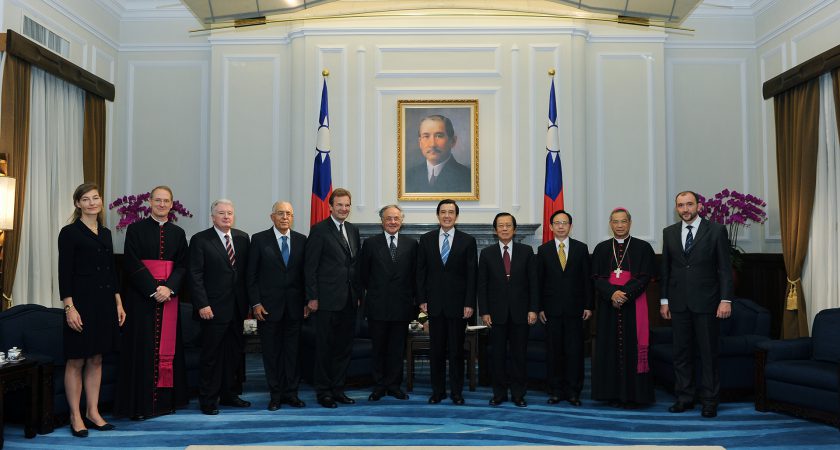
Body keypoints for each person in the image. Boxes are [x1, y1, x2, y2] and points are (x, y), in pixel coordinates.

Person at [114, 186, 189, 421]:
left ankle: (167, 403)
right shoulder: (135, 230)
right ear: (149, 202)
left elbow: (183, 265)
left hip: (169, 298)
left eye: (166, 201)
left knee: (167, 349)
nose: (162, 204)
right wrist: (152, 289)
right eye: (158, 200)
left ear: (172, 204)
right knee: (143, 349)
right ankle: (140, 406)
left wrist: (169, 288)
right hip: (141, 299)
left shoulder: (178, 233)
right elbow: (131, 263)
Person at [58, 182, 126, 437]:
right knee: (76, 359)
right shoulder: (69, 232)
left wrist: (118, 303)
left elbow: (112, 271)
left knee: (97, 358)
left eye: (95, 198)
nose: (92, 203)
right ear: (78, 204)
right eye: (85, 199)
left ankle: (93, 412)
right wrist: (69, 308)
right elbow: (64, 273)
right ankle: (75, 415)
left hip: (105, 303)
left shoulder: (106, 233)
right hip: (81, 304)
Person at [660, 190, 733, 418]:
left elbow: (724, 269)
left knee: (708, 354)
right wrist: (664, 301)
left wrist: (725, 299)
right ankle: (685, 397)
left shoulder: (716, 230)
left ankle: (709, 400)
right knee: (681, 353)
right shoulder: (669, 233)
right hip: (678, 303)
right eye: (680, 205)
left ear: (699, 206)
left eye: (689, 204)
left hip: (708, 303)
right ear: (676, 208)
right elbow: (666, 270)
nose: (685, 209)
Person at [189, 199, 251, 415]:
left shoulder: (243, 238)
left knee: (233, 355)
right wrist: (202, 304)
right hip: (212, 309)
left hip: (237, 308)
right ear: (212, 216)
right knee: (211, 357)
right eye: (222, 213)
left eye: (230, 213)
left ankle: (229, 394)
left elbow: (246, 275)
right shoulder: (200, 240)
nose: (226, 217)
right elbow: (195, 275)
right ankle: (207, 400)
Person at [591, 208, 656, 408]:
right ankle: (610, 393)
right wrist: (612, 293)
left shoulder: (643, 247)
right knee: (609, 348)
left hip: (633, 305)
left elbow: (645, 276)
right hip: (608, 306)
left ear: (630, 223)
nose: (619, 225)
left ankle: (634, 394)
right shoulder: (601, 248)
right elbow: (595, 277)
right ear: (610, 224)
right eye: (616, 222)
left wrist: (624, 294)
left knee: (633, 347)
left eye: (623, 221)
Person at [246, 201, 307, 411]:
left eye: (288, 214)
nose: (284, 217)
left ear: (293, 217)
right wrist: (256, 303)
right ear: (272, 217)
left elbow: (305, 275)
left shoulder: (301, 240)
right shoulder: (259, 239)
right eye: (280, 213)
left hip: (295, 308)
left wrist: (308, 301)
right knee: (272, 354)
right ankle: (275, 395)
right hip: (268, 309)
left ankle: (292, 393)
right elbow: (251, 276)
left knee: (293, 353)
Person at [304, 188, 362, 408]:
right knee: (325, 349)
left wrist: (357, 294)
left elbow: (354, 265)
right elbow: (310, 267)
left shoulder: (353, 230)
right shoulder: (319, 230)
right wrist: (312, 297)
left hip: (349, 301)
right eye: (339, 205)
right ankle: (324, 392)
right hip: (326, 301)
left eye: (347, 205)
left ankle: (338, 389)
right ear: (330, 206)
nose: (344, 209)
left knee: (343, 348)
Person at [417, 199, 477, 405]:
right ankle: (438, 391)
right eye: (443, 212)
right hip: (433, 305)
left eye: (451, 212)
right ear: (438, 215)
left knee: (456, 351)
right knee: (436, 352)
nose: (447, 215)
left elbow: (472, 276)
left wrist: (469, 303)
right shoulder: (426, 239)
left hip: (459, 307)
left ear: (456, 216)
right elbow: (421, 273)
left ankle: (457, 392)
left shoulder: (468, 241)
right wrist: (422, 300)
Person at [477, 212, 538, 407]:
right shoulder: (487, 253)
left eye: (508, 225)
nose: (504, 229)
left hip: (521, 313)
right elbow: (482, 285)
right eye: (500, 226)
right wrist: (484, 312)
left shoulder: (526, 251)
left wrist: (533, 309)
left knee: (519, 355)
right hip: (496, 314)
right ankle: (499, 393)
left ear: (515, 229)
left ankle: (519, 394)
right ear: (495, 230)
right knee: (498, 356)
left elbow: (533, 284)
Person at [359, 205, 417, 401]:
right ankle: (379, 385)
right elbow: (364, 276)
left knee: (396, 349)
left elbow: (414, 276)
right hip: (378, 305)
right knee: (379, 348)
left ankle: (394, 385)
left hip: (402, 306)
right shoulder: (370, 243)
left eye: (396, 218)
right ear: (381, 221)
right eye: (388, 218)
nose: (393, 222)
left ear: (402, 221)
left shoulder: (411, 244)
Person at [536, 209, 592, 407]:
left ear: (570, 226)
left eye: (564, 223)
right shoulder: (543, 251)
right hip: (551, 311)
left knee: (575, 352)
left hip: (576, 310)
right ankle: (556, 391)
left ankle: (574, 392)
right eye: (557, 223)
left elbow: (587, 279)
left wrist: (588, 305)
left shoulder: (580, 248)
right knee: (554, 352)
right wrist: (540, 307)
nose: (560, 226)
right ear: (550, 227)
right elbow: (538, 283)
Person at [405, 114, 471, 193]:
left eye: (439, 136)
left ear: (453, 141)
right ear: (420, 143)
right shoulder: (408, 176)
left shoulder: (467, 177)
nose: (432, 144)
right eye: (426, 136)